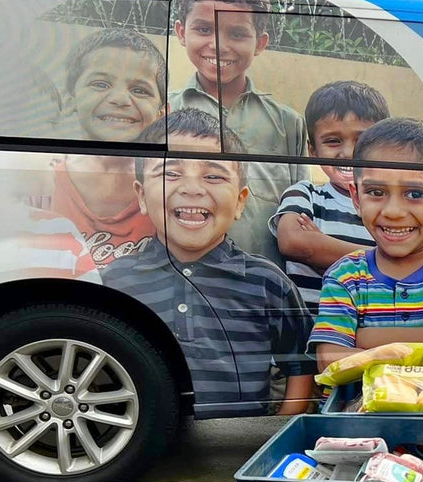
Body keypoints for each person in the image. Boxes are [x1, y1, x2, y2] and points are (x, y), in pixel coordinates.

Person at [103, 109, 314, 414]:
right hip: (143, 451)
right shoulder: (114, 281)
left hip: (240, 452)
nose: (192, 188)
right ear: (142, 197)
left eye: (213, 175)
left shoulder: (267, 281)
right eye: (170, 173)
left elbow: (301, 364)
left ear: (240, 201)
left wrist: (276, 431)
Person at [309, 117, 423, 372]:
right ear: (356, 197)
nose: (394, 211)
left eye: (415, 194)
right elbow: (330, 359)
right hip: (357, 412)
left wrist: (367, 340)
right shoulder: (345, 276)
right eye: (375, 192)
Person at [168, 0, 305, 265]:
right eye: (204, 29)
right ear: (181, 33)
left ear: (260, 43)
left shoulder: (287, 123)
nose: (218, 45)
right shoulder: (165, 113)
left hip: (264, 283)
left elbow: (300, 210)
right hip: (182, 277)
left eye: (237, 34)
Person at [36, 29, 167, 265]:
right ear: (70, 99)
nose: (120, 99)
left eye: (139, 90)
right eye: (100, 84)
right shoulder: (38, 181)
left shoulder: (172, 189)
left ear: (162, 112)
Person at [271, 81, 387, 312]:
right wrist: (384, 260)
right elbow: (294, 242)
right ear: (312, 150)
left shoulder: (391, 204)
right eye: (333, 141)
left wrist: (323, 247)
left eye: (362, 140)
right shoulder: (306, 194)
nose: (347, 153)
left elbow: (413, 261)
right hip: (312, 330)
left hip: (373, 328)